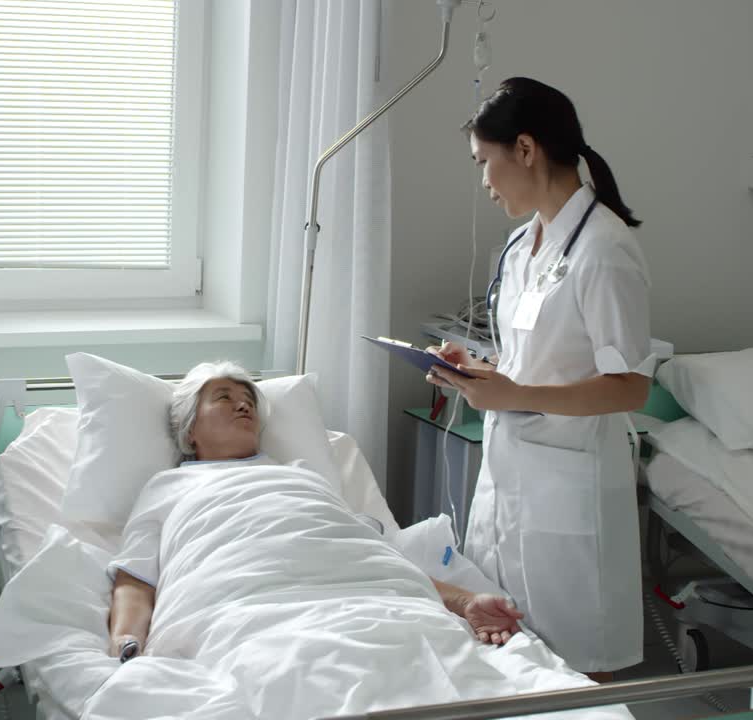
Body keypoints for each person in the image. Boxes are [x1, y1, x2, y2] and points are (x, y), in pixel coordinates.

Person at [427, 77, 653, 680]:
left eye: (485, 162)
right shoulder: (522, 245)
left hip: (569, 482)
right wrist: (477, 374)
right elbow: (537, 361)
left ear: (525, 149)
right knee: (505, 653)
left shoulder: (603, 249)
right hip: (513, 472)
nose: (483, 182)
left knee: (575, 671)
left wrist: (517, 393)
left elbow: (630, 386)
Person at [107, 362, 525, 662]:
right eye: (224, 397)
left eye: (248, 399)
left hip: (361, 597)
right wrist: (128, 642)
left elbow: (364, 549)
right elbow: (135, 579)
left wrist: (465, 600)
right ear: (189, 429)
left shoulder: (302, 476)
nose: (243, 405)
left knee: (415, 652)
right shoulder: (168, 486)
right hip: (240, 599)